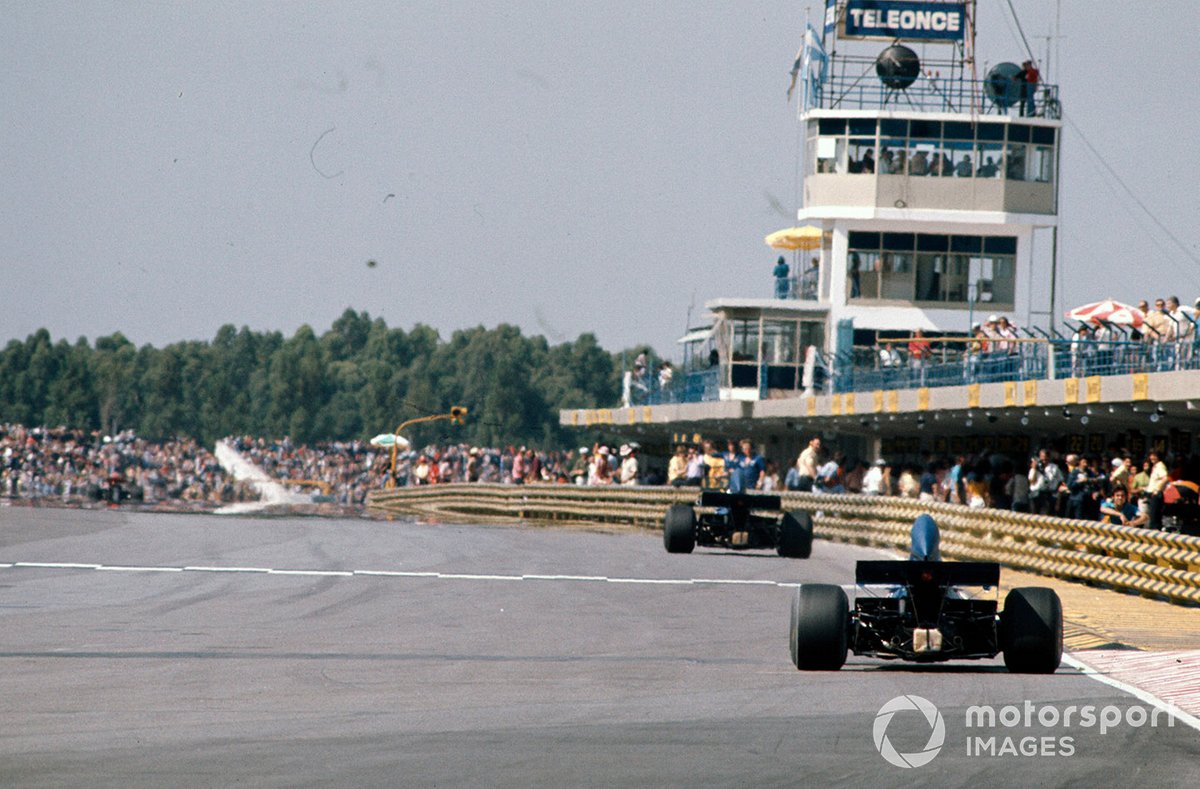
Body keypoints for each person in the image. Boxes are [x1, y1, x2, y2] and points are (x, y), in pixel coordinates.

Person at [1145, 449, 1170, 530]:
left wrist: (1157, 490)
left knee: (1155, 518)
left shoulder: (1160, 466)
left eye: (1155, 456)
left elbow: (1165, 478)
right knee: (1153, 516)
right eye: (1151, 455)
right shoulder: (1154, 467)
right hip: (1151, 494)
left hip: (1156, 495)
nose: (1152, 457)